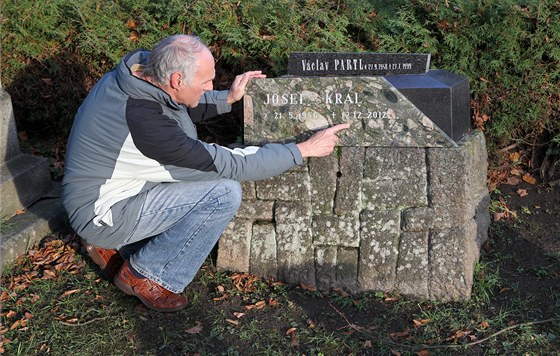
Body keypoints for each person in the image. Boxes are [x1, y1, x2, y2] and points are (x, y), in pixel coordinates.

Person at [62, 34, 350, 312]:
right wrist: (302, 150)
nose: (210, 84)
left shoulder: (138, 76)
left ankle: (120, 247)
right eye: (206, 81)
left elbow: (178, 105)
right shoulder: (145, 125)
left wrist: (228, 97)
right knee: (223, 192)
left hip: (112, 192)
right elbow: (232, 164)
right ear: (176, 79)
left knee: (213, 185)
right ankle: (147, 274)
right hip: (103, 214)